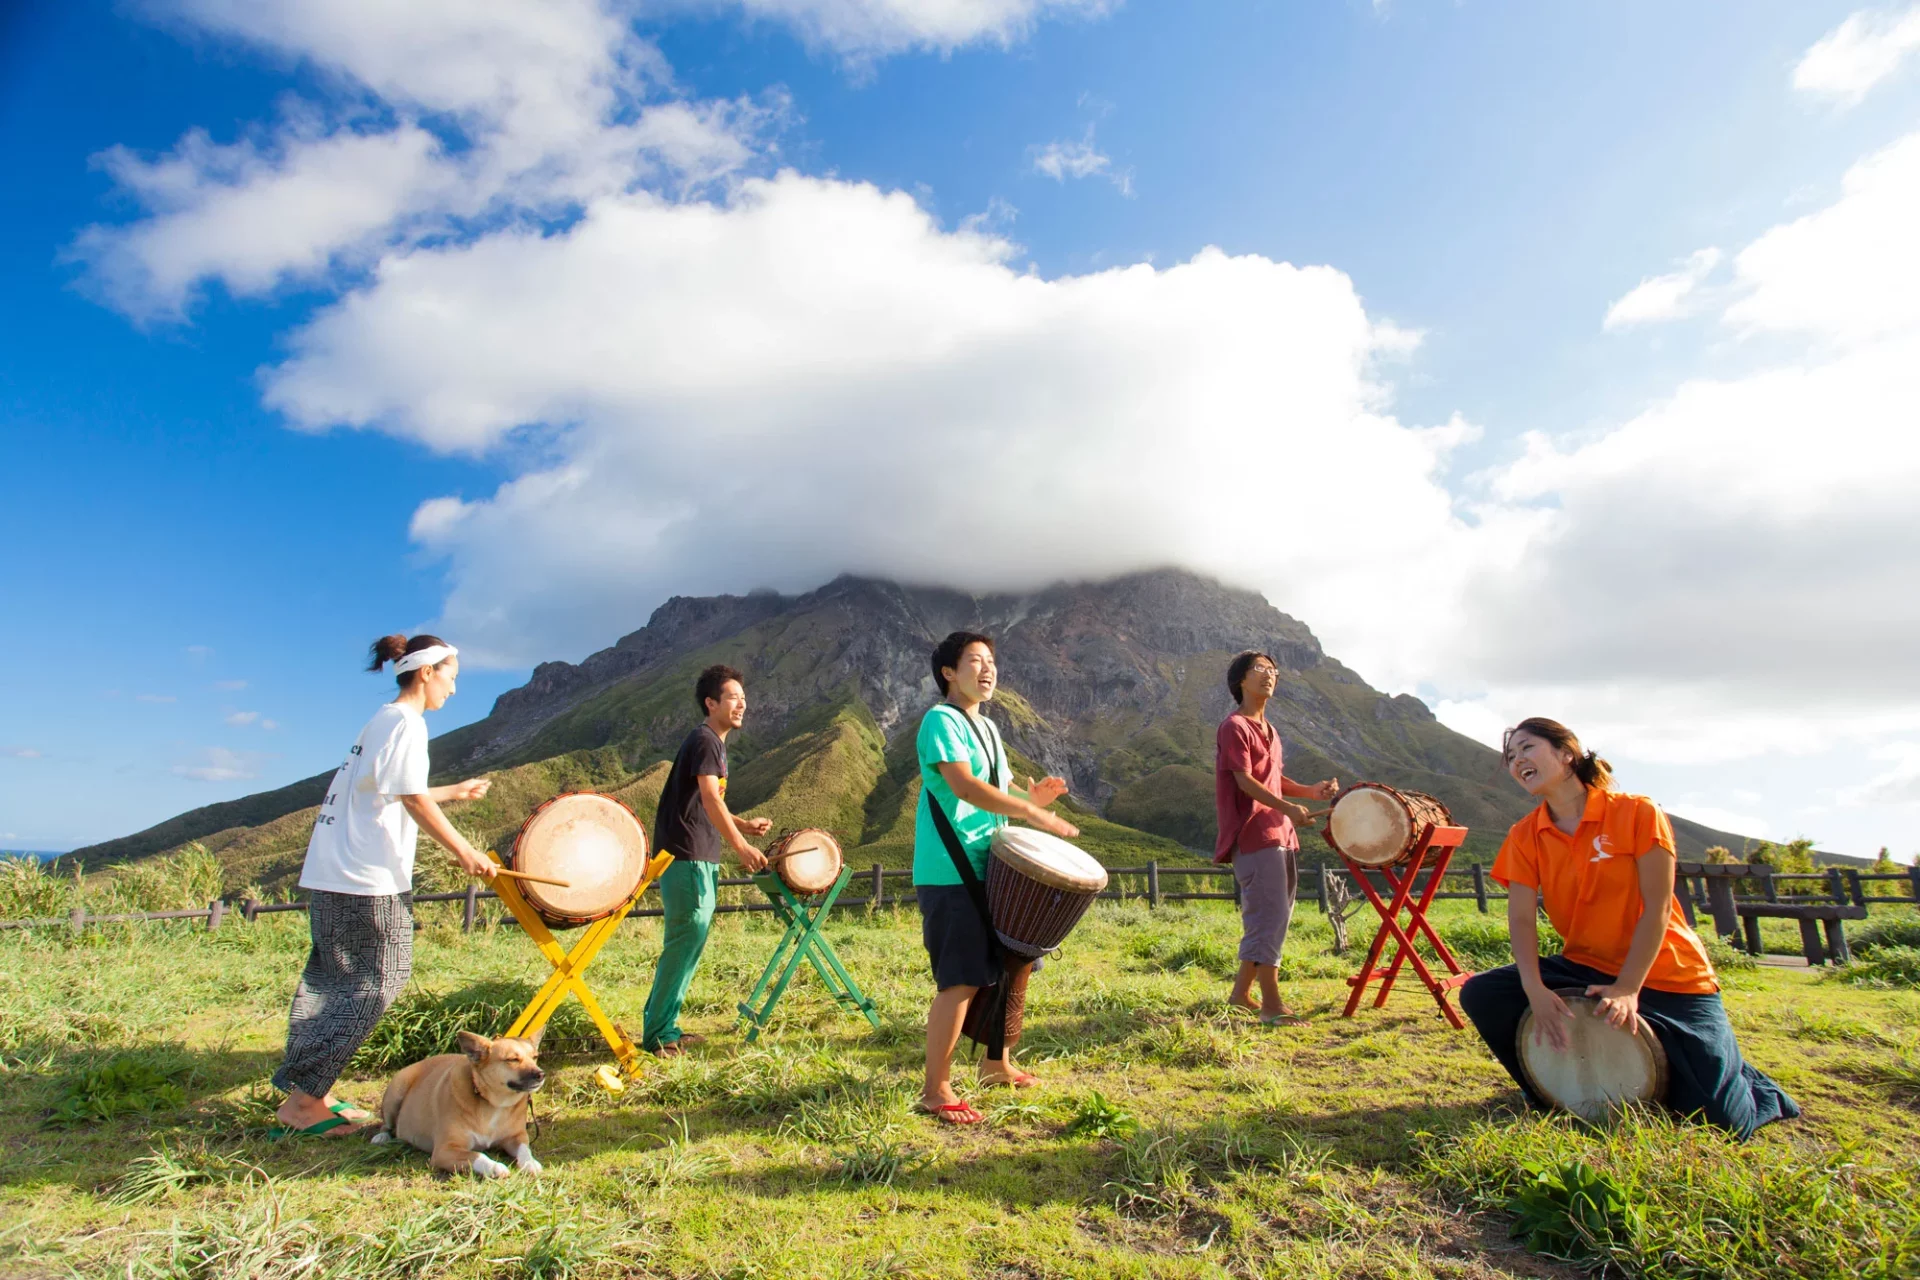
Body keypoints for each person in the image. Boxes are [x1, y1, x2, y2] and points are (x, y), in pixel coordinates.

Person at [1459, 717, 1799, 1139]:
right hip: (1585, 965)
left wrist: (1627, 988)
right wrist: (1535, 990)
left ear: (1567, 753)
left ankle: (1744, 1078)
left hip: (1668, 975)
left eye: (1527, 748)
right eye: (1511, 757)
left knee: (1725, 1125)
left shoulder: (1638, 813)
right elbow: (1522, 918)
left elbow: (1657, 906)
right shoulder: (1525, 835)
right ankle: (1551, 1092)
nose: (1517, 761)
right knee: (1482, 993)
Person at [271, 635, 495, 1138]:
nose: (454, 689)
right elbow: (412, 800)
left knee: (333, 984)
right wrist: (465, 851)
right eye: (452, 676)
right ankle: (303, 1106)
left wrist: (451, 792)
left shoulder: (382, 722)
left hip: (337, 874)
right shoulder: (405, 724)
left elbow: (387, 792)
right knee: (380, 980)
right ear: (426, 673)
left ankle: (312, 1092)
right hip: (365, 879)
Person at [914, 631, 1079, 1125]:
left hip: (992, 863)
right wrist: (1035, 815)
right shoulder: (940, 720)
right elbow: (963, 784)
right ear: (948, 672)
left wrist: (1033, 799)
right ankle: (936, 1090)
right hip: (951, 867)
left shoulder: (986, 727)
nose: (988, 670)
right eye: (974, 661)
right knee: (961, 978)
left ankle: (995, 1064)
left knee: (1010, 966)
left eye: (991, 662)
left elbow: (997, 783)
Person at [641, 664, 772, 1057]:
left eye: (743, 699)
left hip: (698, 854)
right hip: (686, 854)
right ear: (711, 703)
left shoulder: (712, 742)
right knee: (684, 940)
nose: (741, 704)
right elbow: (711, 799)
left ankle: (666, 1026)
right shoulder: (705, 740)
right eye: (733, 697)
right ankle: (658, 1034)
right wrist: (740, 847)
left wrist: (742, 825)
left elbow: (707, 799)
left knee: (689, 941)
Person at [1214, 651, 1338, 1025]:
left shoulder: (1271, 731)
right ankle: (1271, 1004)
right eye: (1260, 670)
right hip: (1255, 837)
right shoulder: (1234, 726)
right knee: (1267, 920)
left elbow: (1273, 780)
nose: (1269, 676)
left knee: (1275, 917)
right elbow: (1244, 780)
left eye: (1274, 671)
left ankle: (1239, 996)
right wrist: (1286, 808)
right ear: (1241, 680)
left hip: (1280, 835)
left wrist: (1310, 793)